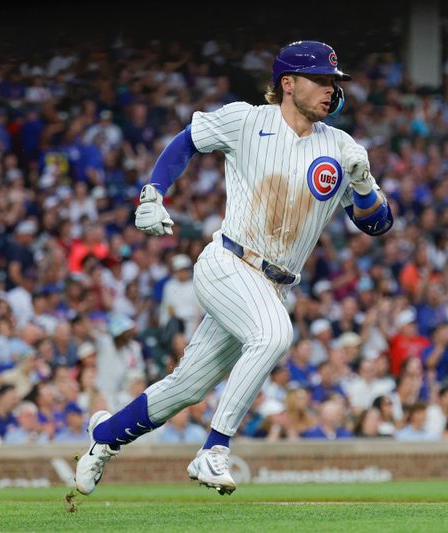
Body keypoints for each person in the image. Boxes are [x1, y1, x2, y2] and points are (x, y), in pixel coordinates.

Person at [74, 40, 392, 496]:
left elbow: (378, 225)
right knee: (275, 335)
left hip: (274, 283)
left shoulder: (342, 148)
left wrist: (363, 186)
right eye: (321, 79)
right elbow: (187, 140)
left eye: (333, 82)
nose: (330, 89)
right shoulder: (246, 120)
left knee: (187, 386)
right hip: (228, 261)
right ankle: (215, 449)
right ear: (288, 83)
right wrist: (151, 193)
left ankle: (103, 438)